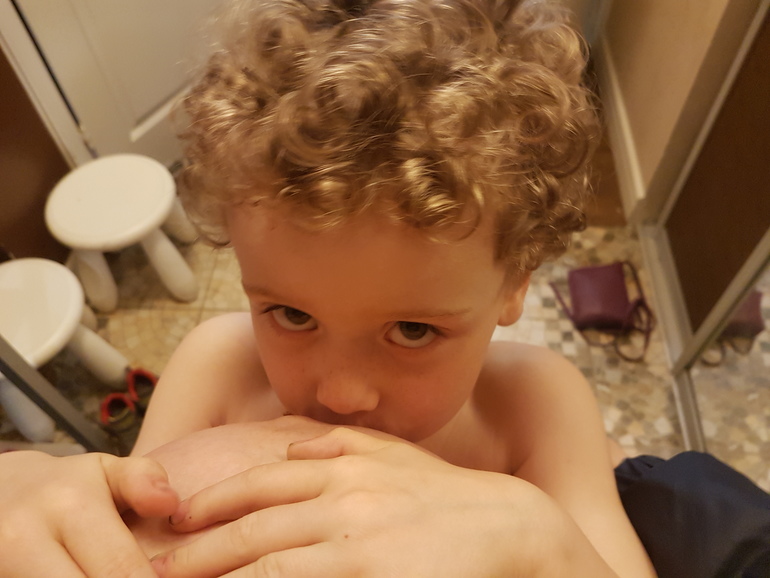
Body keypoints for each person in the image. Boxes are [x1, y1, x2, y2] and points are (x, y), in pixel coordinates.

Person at [0, 0, 660, 576]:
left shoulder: (534, 408)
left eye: (413, 330)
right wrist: (25, 490)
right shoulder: (216, 370)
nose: (341, 394)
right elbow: (125, 537)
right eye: (290, 314)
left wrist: (541, 541)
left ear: (515, 283)